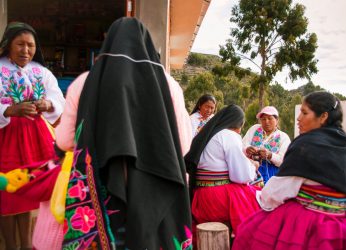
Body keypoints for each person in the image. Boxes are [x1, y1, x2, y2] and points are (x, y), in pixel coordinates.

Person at [53, 17, 192, 250]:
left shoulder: (83, 83)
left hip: (100, 192)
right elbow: (184, 146)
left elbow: (65, 140)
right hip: (158, 189)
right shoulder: (170, 86)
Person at [233, 91, 346, 250]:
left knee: (250, 232)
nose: (298, 118)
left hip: (311, 223)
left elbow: (274, 194)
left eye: (304, 113)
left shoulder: (304, 143)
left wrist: (265, 197)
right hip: (344, 225)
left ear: (323, 116)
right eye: (263, 118)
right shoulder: (345, 143)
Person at [0, 22, 65, 250]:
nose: (25, 50)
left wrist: (48, 104)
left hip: (35, 138)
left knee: (30, 188)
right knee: (6, 192)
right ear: (8, 45)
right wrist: (8, 110)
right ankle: (9, 245)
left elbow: (59, 101)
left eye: (30, 45)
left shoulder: (42, 72)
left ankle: (27, 245)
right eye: (20, 44)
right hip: (5, 137)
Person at [185, 104, 260, 240]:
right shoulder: (229, 135)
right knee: (259, 203)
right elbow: (241, 176)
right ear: (238, 124)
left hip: (201, 197)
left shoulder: (208, 135)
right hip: (219, 199)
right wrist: (253, 166)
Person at [242, 106, 291, 183]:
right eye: (263, 119)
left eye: (270, 118)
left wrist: (270, 155)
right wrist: (247, 149)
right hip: (252, 171)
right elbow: (243, 144)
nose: (266, 121)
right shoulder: (254, 129)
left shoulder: (283, 137)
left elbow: (284, 161)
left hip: (273, 175)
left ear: (277, 120)